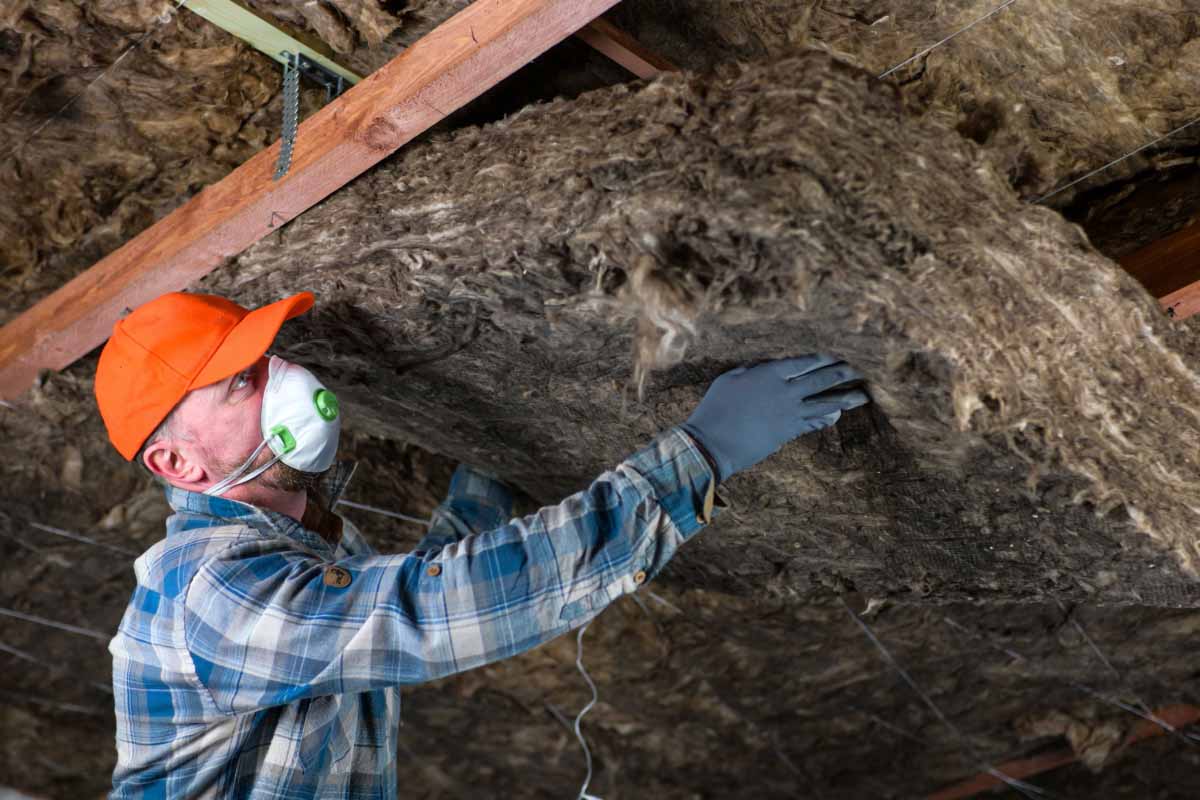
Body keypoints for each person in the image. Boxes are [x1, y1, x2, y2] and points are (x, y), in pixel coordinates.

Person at [96, 290, 868, 798]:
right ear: (176, 464)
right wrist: (698, 454)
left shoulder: (306, 543)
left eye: (264, 360)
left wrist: (498, 451)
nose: (284, 379)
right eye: (239, 383)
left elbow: (424, 578)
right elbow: (428, 610)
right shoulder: (209, 592)